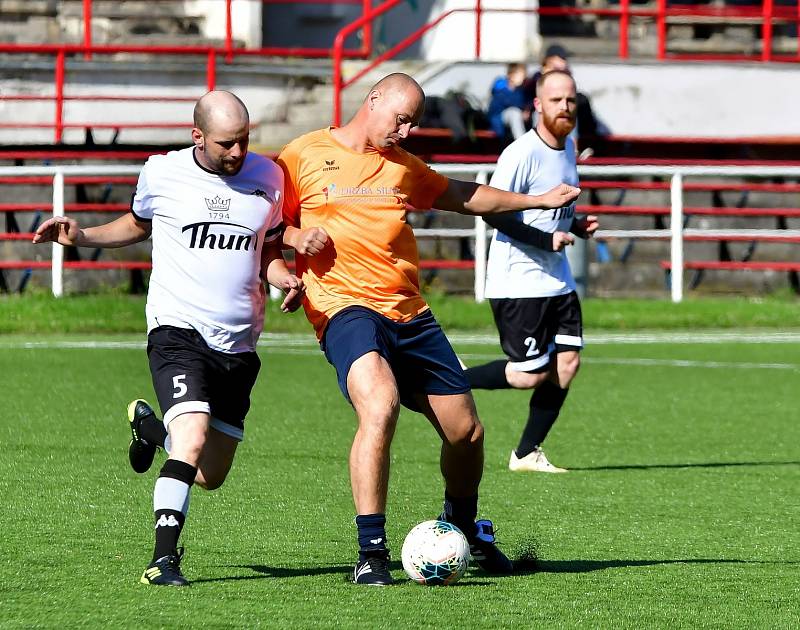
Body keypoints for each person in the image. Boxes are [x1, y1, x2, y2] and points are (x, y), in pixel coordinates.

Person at [276, 72, 580, 585]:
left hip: (410, 313)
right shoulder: (302, 155)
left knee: (467, 432)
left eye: (413, 123)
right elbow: (263, 224)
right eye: (401, 119)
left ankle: (461, 530)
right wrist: (291, 247)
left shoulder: (402, 168)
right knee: (381, 403)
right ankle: (371, 553)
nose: (407, 131)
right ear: (373, 101)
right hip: (343, 307)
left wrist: (536, 202)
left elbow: (464, 195)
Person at [32, 91, 303, 586]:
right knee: (193, 437)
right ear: (196, 135)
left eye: (244, 141)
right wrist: (82, 236)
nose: (238, 153)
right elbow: (137, 224)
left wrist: (283, 277)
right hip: (178, 330)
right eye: (226, 143)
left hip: (239, 346)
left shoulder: (268, 175)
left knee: (208, 474)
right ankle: (163, 561)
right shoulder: (162, 171)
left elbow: (268, 247)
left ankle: (150, 431)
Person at [464, 70, 599, 473]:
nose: (565, 107)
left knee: (568, 362)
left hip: (556, 279)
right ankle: (449, 379)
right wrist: (547, 241)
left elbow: (550, 209)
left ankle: (526, 453)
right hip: (518, 279)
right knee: (528, 376)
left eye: (571, 99)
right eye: (556, 100)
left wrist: (574, 225)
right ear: (538, 105)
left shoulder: (570, 147)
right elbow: (496, 213)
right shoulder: (520, 153)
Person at [522, 44, 608, 156]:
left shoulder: (566, 77)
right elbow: (528, 98)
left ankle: (576, 150)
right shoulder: (536, 80)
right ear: (549, 60)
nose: (565, 61)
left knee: (569, 111)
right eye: (561, 58)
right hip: (540, 117)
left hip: (562, 122)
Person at [487, 62, 529, 143]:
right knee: (514, 112)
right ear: (511, 75)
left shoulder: (519, 90)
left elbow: (523, 104)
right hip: (498, 118)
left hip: (514, 119)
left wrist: (525, 112)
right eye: (520, 75)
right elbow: (495, 109)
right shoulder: (500, 87)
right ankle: (522, 144)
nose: (523, 78)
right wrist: (520, 112)